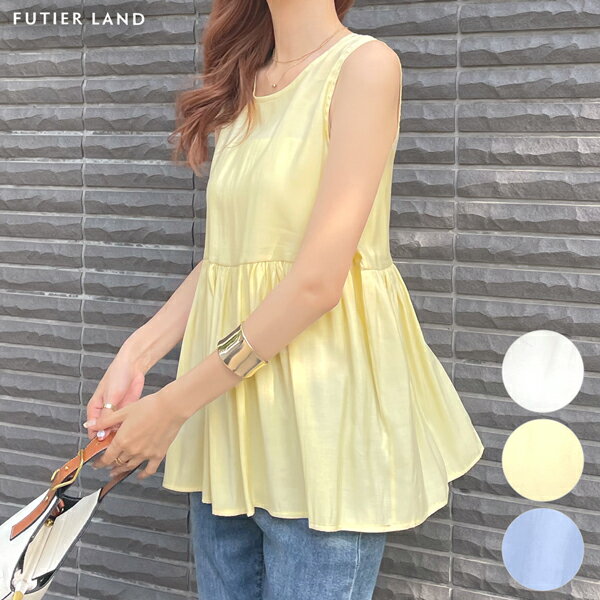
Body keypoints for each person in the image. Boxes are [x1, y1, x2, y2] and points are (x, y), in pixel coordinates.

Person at [84, 1, 485, 598]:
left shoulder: (364, 66)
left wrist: (171, 407)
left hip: (322, 426)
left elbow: (316, 282)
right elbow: (233, 258)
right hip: (228, 424)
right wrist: (138, 353)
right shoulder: (246, 80)